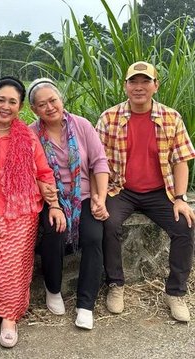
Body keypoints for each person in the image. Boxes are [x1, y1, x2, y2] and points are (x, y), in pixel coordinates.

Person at [96, 61, 195, 322]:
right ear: (125, 86)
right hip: (122, 188)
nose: (139, 87)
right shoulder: (109, 118)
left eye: (145, 81)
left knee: (184, 225)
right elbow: (97, 162)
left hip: (159, 191)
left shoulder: (171, 118)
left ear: (155, 85)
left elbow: (180, 160)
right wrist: (99, 195)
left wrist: (181, 198)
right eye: (133, 82)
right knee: (108, 223)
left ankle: (175, 292)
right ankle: (116, 285)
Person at [0, 77, 63, 348]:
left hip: (21, 208)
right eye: (1, 100)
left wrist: (54, 205)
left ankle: (8, 316)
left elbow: (45, 173)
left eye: (12, 102)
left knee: (14, 261)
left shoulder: (27, 136)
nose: (6, 106)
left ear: (20, 106)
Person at [27, 78, 110, 330]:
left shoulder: (82, 126)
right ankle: (53, 289)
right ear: (34, 110)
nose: (50, 107)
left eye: (53, 100)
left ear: (61, 100)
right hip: (52, 198)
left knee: (94, 237)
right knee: (53, 232)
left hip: (83, 196)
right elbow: (32, 173)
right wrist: (52, 203)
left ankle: (86, 304)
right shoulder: (31, 134)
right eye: (42, 104)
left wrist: (100, 198)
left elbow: (99, 163)